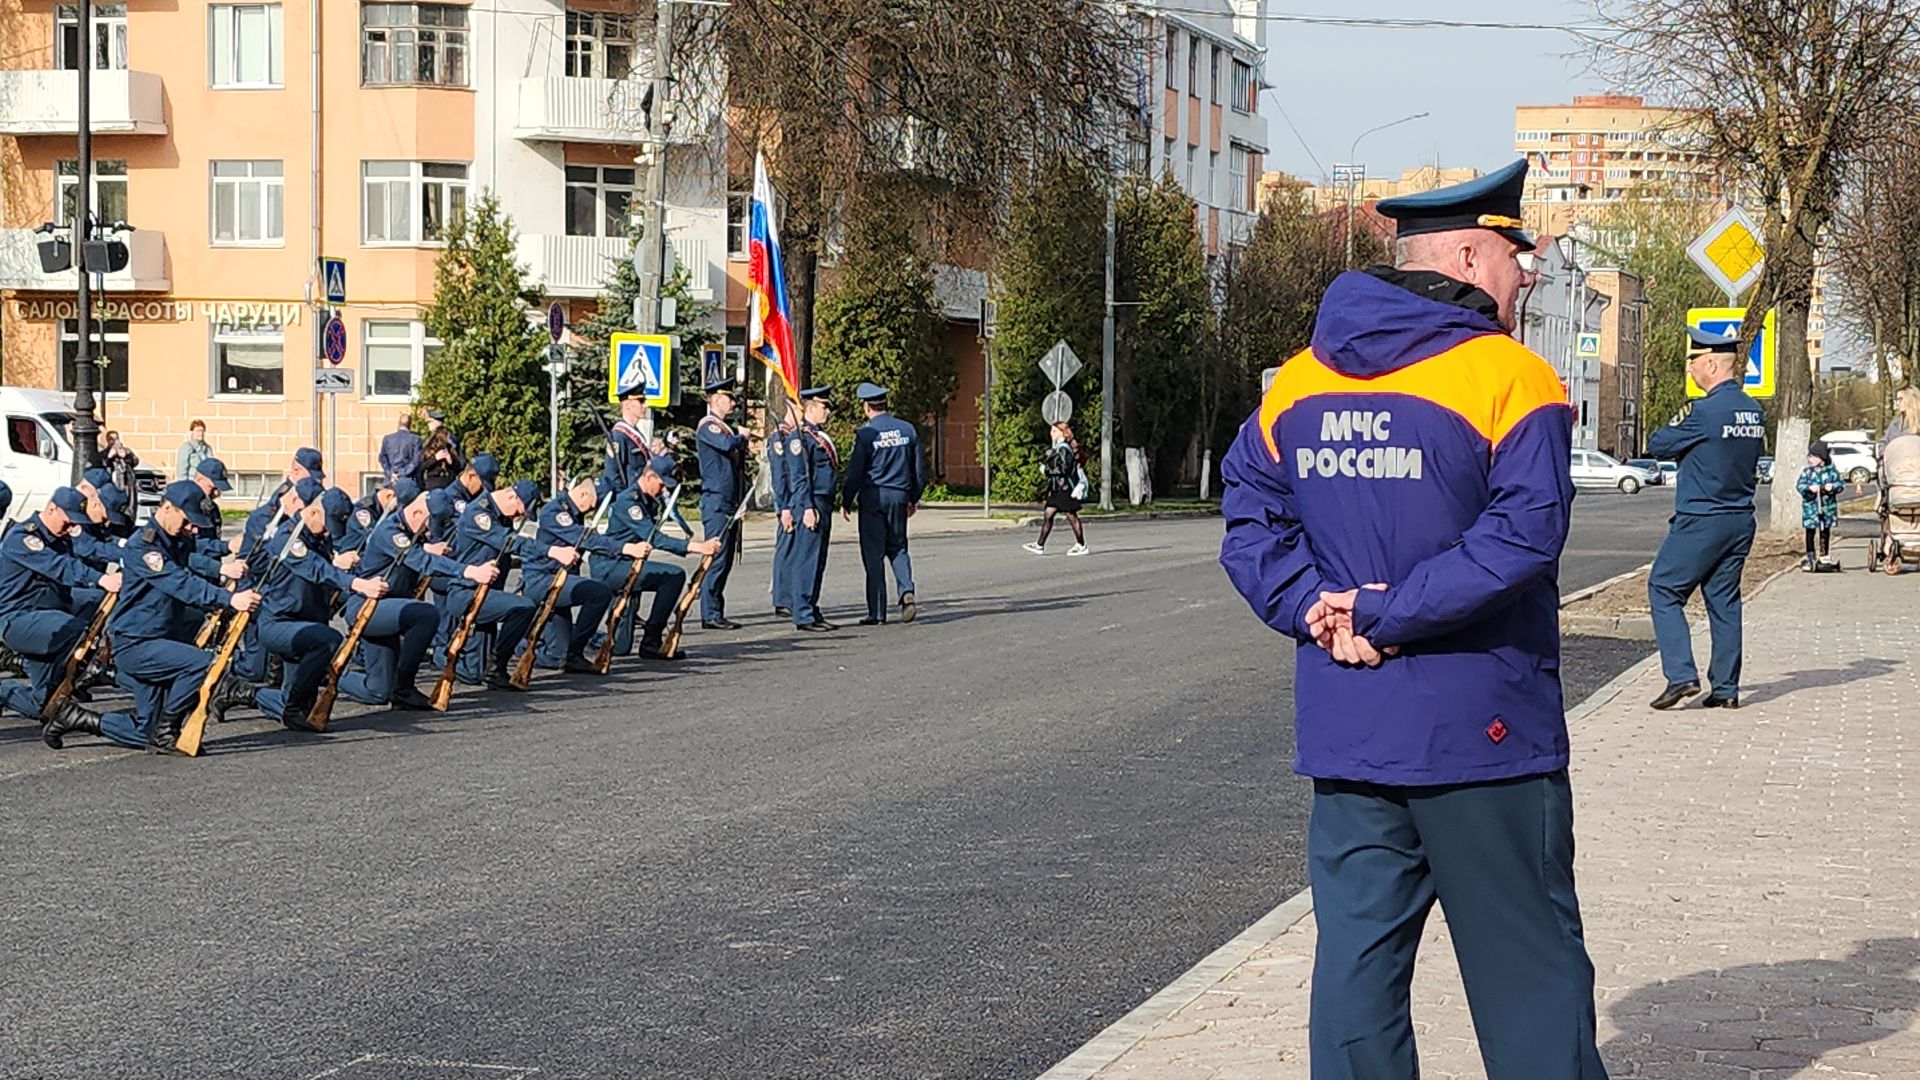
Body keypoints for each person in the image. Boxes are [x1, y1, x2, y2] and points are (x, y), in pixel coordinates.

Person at [1219, 159, 1608, 1080]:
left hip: (1350, 730)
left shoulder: (1296, 384)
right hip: (1484, 735)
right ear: (1473, 254)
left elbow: (1248, 523)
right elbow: (1521, 539)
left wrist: (1313, 607)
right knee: (1529, 972)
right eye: (1518, 255)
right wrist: (1390, 614)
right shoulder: (1514, 378)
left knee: (1356, 973)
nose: (1529, 273)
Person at [43, 481, 258, 752]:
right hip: (136, 641)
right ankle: (169, 728)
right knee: (202, 664)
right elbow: (178, 581)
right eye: (188, 521)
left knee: (145, 732)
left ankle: (76, 718)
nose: (193, 528)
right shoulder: (144, 546)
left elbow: (190, 563)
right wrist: (229, 599)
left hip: (158, 636)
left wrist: (223, 571)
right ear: (168, 507)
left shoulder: (175, 539)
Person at [206, 477, 390, 730]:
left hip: (307, 624)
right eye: (326, 525)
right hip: (281, 623)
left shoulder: (319, 536)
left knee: (297, 707)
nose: (328, 532)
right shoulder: (288, 538)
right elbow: (317, 569)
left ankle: (239, 693)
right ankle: (289, 706)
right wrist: (357, 584)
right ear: (313, 511)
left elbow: (332, 561)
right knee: (329, 640)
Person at [1646, 326, 1766, 711]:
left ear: (1712, 363)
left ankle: (1681, 676)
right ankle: (1726, 689)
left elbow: (1658, 443)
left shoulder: (1703, 412)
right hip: (1740, 519)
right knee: (1724, 601)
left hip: (1701, 519)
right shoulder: (1754, 410)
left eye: (1694, 361)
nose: (1691, 370)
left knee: (1664, 589)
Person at [0, 487, 123, 728]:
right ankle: (92, 670)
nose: (70, 529)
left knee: (43, 706)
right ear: (52, 509)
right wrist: (101, 578)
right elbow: (60, 566)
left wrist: (131, 556)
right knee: (78, 631)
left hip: (48, 622)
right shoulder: (24, 537)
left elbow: (91, 549)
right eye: (67, 522)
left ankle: (4, 693)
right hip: (18, 620)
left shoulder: (61, 538)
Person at [594, 455, 722, 659]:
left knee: (620, 647)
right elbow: (655, 538)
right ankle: (588, 638)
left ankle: (650, 641)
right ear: (649, 476)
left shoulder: (648, 501)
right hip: (611, 566)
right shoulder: (630, 502)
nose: (664, 490)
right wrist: (698, 547)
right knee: (673, 576)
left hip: (630, 565)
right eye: (662, 484)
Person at [519, 477, 645, 674]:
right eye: (594, 504)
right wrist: (626, 548)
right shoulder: (555, 512)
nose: (593, 510)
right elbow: (585, 539)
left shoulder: (572, 512)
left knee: (556, 655)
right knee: (598, 593)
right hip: (542, 581)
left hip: (561, 582)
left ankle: (553, 647)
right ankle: (563, 651)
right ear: (583, 493)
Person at [841, 382, 923, 625]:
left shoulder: (866, 434)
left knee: (873, 554)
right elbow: (919, 469)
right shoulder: (907, 430)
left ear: (867, 407)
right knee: (898, 548)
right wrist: (913, 498)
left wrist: (846, 499)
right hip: (899, 496)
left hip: (873, 498)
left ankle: (877, 612)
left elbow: (855, 471)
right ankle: (906, 591)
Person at [781, 387, 839, 631]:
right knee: (807, 559)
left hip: (822, 502)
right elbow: (800, 476)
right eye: (823, 406)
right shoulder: (800, 437)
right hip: (811, 502)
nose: (827, 410)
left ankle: (812, 608)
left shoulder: (817, 435)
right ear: (810, 408)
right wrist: (806, 507)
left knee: (818, 559)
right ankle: (803, 613)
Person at [694, 378, 748, 630]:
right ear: (716, 400)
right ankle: (709, 612)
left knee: (725, 560)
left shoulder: (724, 428)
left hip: (729, 501)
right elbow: (727, 445)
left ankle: (715, 609)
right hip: (716, 501)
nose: (734, 403)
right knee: (716, 557)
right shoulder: (709, 426)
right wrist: (740, 437)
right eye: (729, 398)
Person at [1023, 421, 1090, 556]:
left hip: (1064, 488)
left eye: (1054, 431)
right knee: (1049, 514)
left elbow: (1064, 469)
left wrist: (1046, 471)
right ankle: (1039, 545)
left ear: (1062, 433)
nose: (1051, 433)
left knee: (1071, 515)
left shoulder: (1064, 448)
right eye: (1051, 431)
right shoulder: (1059, 448)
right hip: (1058, 488)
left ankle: (1081, 545)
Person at [1797, 441, 1844, 571]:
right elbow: (1800, 486)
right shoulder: (1807, 472)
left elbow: (1840, 485)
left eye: (1813, 456)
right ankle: (1810, 555)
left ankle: (1824, 555)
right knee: (1810, 531)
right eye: (1809, 456)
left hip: (1827, 508)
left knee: (1825, 531)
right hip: (1811, 508)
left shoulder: (1831, 472)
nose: (1809, 459)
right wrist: (1809, 488)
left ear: (1821, 458)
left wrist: (1832, 487)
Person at [604, 389, 652, 494]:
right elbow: (612, 473)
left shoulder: (636, 432)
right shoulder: (618, 435)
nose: (645, 406)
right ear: (628, 405)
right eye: (641, 401)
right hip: (629, 497)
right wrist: (622, 499)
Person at [379, 415, 424, 488]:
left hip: (390, 481)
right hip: (408, 481)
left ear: (399, 423)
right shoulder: (416, 440)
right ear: (410, 424)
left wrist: (391, 473)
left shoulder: (387, 439)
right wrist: (401, 473)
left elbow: (382, 459)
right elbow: (416, 461)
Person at [422, 418, 464, 491]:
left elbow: (459, 466)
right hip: (433, 485)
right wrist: (435, 459)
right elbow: (422, 467)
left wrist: (451, 461)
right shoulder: (429, 448)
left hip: (449, 484)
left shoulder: (450, 448)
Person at [104, 429, 139, 494]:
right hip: (109, 484)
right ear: (107, 440)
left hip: (126, 483)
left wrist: (125, 456)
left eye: (116, 438)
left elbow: (135, 461)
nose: (114, 441)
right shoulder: (104, 453)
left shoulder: (126, 451)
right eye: (111, 439)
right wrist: (109, 457)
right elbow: (102, 464)